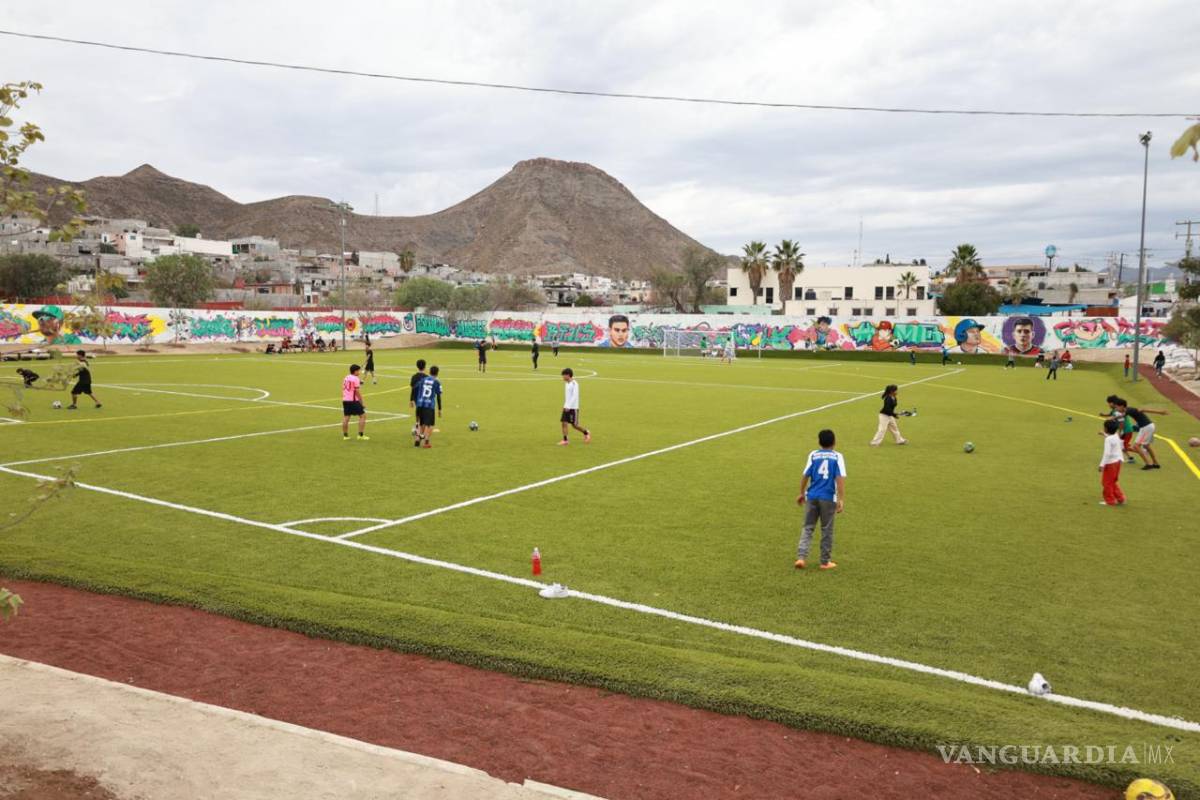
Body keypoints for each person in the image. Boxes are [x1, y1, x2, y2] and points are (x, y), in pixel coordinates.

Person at [795, 428, 846, 571]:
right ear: (834, 442)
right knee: (827, 529)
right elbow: (839, 478)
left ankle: (801, 557)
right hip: (828, 498)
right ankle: (825, 562)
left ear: (819, 442)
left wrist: (801, 493)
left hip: (811, 496)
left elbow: (805, 475)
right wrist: (841, 499)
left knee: (808, 527)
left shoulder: (813, 455)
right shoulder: (837, 457)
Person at [1116, 399, 1167, 470]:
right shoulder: (1130, 409)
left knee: (1136, 446)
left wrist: (1110, 418)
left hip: (1146, 427)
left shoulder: (1128, 410)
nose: (1116, 409)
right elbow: (1142, 410)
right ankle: (1155, 463)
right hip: (1148, 426)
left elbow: (1121, 417)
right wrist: (1160, 412)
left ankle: (1148, 464)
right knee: (1146, 446)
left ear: (1122, 406)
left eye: (1117, 407)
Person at [558, 368, 591, 445]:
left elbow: (574, 396)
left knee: (575, 425)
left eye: (563, 376)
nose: (562, 377)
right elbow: (568, 397)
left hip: (573, 408)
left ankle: (586, 433)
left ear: (568, 375)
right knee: (564, 423)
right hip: (566, 407)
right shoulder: (567, 384)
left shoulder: (574, 384)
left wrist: (568, 406)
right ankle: (565, 440)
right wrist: (565, 405)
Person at [1098, 418, 1126, 506]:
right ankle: (1120, 498)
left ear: (1106, 428)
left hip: (1111, 463)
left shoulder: (1108, 439)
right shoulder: (1116, 435)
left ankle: (1110, 501)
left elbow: (1107, 453)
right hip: (1118, 461)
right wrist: (1104, 434)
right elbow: (1112, 440)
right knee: (1112, 481)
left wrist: (1101, 465)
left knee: (1106, 482)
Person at [413, 365, 442, 448]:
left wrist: (416, 400)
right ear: (437, 373)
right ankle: (426, 442)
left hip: (420, 404)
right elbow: (438, 396)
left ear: (429, 372)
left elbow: (415, 388)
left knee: (420, 423)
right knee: (429, 425)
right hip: (429, 406)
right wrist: (439, 409)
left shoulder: (422, 380)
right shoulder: (436, 382)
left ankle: (417, 440)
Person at [341, 364, 368, 441]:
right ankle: (360, 435)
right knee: (363, 416)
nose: (359, 372)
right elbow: (357, 391)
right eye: (358, 370)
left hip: (345, 399)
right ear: (355, 371)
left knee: (346, 417)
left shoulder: (346, 377)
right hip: (353, 400)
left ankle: (345, 436)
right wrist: (361, 402)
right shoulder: (355, 379)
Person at [409, 358, 428, 444]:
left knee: (418, 418)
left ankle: (417, 435)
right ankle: (420, 435)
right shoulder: (427, 378)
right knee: (423, 419)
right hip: (425, 400)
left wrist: (411, 400)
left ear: (417, 367)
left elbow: (413, 388)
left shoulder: (414, 377)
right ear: (424, 367)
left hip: (417, 400)